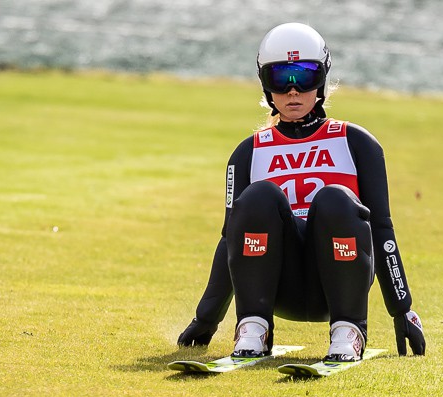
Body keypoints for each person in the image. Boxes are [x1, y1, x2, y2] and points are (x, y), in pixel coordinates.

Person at [177, 23, 425, 361]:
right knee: (259, 197)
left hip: (341, 282)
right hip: (277, 287)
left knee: (335, 198)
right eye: (280, 78)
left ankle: (348, 330)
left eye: (305, 76)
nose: (293, 91)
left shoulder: (356, 142)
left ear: (321, 80)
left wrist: (403, 309)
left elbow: (382, 228)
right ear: (266, 85)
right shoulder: (248, 152)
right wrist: (206, 318)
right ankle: (253, 327)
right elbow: (230, 240)